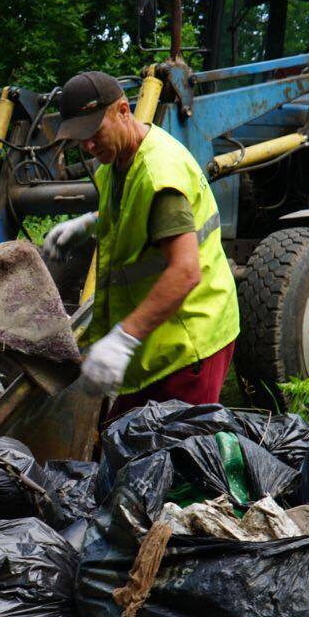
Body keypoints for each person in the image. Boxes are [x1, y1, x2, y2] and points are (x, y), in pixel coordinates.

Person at [44, 71, 240, 419]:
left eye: (94, 132)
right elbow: (132, 219)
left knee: (177, 457)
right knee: (124, 442)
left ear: (123, 110)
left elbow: (185, 271)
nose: (88, 145)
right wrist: (92, 224)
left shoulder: (159, 173)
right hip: (157, 341)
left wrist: (123, 339)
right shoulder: (114, 163)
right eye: (79, 139)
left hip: (190, 340)